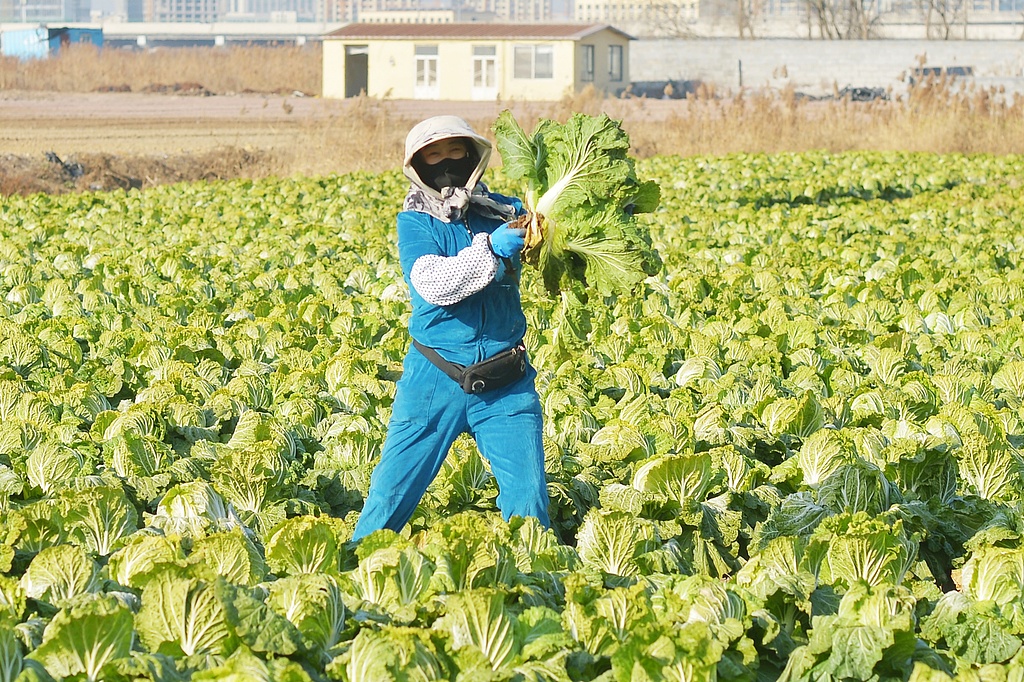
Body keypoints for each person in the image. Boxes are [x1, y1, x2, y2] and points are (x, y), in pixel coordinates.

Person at [350, 115, 551, 542]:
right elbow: (432, 283)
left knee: (530, 503)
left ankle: (534, 573)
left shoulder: (505, 212)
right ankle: (354, 569)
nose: (446, 163)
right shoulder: (416, 222)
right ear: (417, 166)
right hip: (435, 379)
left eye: (455, 151)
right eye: (433, 156)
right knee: (388, 498)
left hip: (505, 380)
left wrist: (577, 224)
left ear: (473, 156)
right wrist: (490, 249)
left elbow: (554, 243)